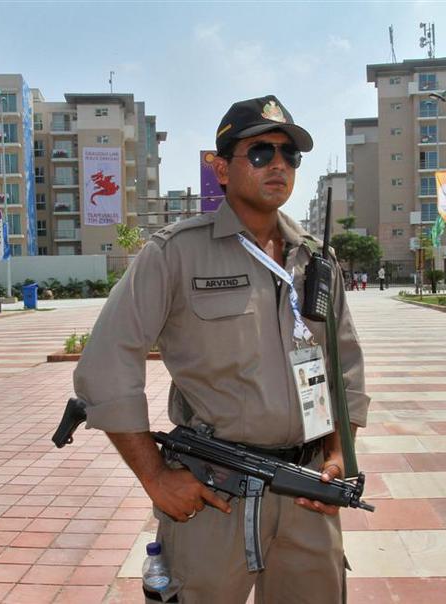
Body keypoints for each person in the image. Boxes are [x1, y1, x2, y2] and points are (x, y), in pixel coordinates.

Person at [72, 95, 369, 603]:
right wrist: (154, 476)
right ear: (222, 169)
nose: (278, 164)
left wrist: (341, 453)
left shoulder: (314, 259)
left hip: (306, 491)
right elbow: (106, 364)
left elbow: (345, 367)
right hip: (216, 495)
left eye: (289, 154)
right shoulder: (176, 253)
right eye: (261, 152)